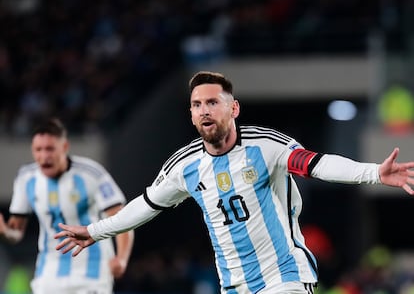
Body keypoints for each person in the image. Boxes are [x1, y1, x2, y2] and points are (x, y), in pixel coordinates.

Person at [55, 71, 414, 294]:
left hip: (284, 276)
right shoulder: (186, 166)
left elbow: (316, 164)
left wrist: (373, 172)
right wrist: (96, 230)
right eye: (197, 105)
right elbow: (145, 205)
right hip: (235, 285)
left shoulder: (267, 145)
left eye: (213, 102)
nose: (204, 110)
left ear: (234, 109)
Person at [0, 118, 134, 294]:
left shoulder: (92, 173)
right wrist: (4, 231)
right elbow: (16, 233)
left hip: (93, 269)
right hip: (49, 270)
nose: (44, 156)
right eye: (38, 150)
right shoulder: (26, 178)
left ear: (64, 147)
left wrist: (122, 258)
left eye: (50, 149)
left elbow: (122, 219)